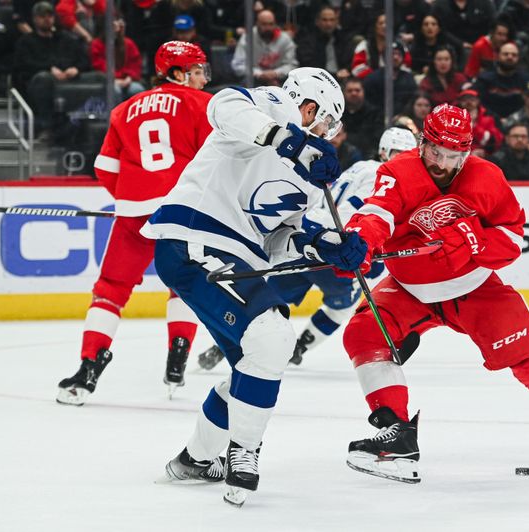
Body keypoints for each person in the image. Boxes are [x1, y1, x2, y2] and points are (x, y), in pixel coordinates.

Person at [339, 103, 529, 484]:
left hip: (473, 288)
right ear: (422, 143)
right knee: (363, 333)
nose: (442, 162)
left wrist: (474, 243)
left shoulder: (487, 177)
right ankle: (397, 435)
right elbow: (378, 213)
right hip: (408, 288)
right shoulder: (397, 171)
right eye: (435, 152)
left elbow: (512, 237)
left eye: (454, 155)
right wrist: (360, 242)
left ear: (468, 151)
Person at [142, 67, 357, 506]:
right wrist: (288, 139)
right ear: (310, 108)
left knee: (256, 362)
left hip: (236, 257)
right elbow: (223, 106)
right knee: (274, 336)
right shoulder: (269, 105)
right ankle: (245, 450)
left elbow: (277, 240)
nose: (329, 135)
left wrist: (321, 243)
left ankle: (196, 460)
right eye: (327, 123)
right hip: (197, 238)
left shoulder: (310, 181)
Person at [56, 42, 213, 406]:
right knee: (184, 284)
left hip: (133, 215)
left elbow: (105, 169)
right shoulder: (202, 106)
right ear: (177, 73)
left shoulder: (124, 109)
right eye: (198, 69)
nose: (204, 77)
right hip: (181, 211)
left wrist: (130, 198)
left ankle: (88, 367)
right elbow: (215, 162)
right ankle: (178, 357)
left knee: (110, 290)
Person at [196, 127, 419, 371]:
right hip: (334, 247)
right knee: (341, 306)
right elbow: (351, 218)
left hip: (307, 238)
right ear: (385, 152)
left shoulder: (359, 167)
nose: (401, 160)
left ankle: (227, 343)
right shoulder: (383, 176)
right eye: (398, 153)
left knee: (271, 300)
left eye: (405, 154)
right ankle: (299, 348)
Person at [12, 2, 101, 136]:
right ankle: (47, 127)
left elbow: (84, 61)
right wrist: (49, 69)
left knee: (100, 77)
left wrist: (76, 69)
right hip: (40, 80)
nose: (47, 19)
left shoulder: (66, 39)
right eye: (42, 16)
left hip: (70, 78)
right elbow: (23, 66)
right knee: (44, 79)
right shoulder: (26, 42)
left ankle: (105, 122)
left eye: (50, 15)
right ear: (35, 19)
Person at [231, 9, 298, 86]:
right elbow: (238, 65)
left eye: (271, 24)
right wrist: (259, 74)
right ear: (257, 23)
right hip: (253, 80)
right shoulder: (248, 37)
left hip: (279, 79)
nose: (268, 28)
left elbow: (292, 65)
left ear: (275, 24)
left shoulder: (285, 39)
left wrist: (275, 73)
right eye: (264, 24)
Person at [90, 14, 145, 102]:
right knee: (115, 90)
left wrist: (129, 78)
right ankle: (117, 115)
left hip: (127, 80)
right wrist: (115, 79)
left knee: (137, 89)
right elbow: (99, 66)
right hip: (107, 81)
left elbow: (135, 64)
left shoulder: (128, 43)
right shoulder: (96, 44)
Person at [473, 42, 529, 120]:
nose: (510, 57)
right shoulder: (484, 79)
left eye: (514, 55)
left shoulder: (527, 80)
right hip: (489, 121)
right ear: (498, 56)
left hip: (519, 122)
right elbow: (477, 103)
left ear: (518, 58)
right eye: (506, 54)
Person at [294, 5, 353, 82]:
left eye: (332, 20)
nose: (329, 24)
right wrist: (334, 76)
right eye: (325, 20)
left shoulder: (344, 38)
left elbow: (350, 60)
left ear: (337, 22)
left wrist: (346, 71)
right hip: (317, 81)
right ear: (317, 22)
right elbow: (309, 67)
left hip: (343, 79)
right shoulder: (307, 41)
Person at [362, 41, 417, 116]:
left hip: (403, 119)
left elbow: (413, 101)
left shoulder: (409, 79)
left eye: (399, 54)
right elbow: (367, 103)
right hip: (376, 119)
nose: (395, 57)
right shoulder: (372, 78)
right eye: (392, 54)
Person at [341, 76, 384, 159]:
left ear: (363, 92)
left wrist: (346, 137)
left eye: (357, 90)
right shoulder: (338, 113)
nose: (354, 93)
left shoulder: (375, 113)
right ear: (343, 93)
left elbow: (373, 140)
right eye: (350, 91)